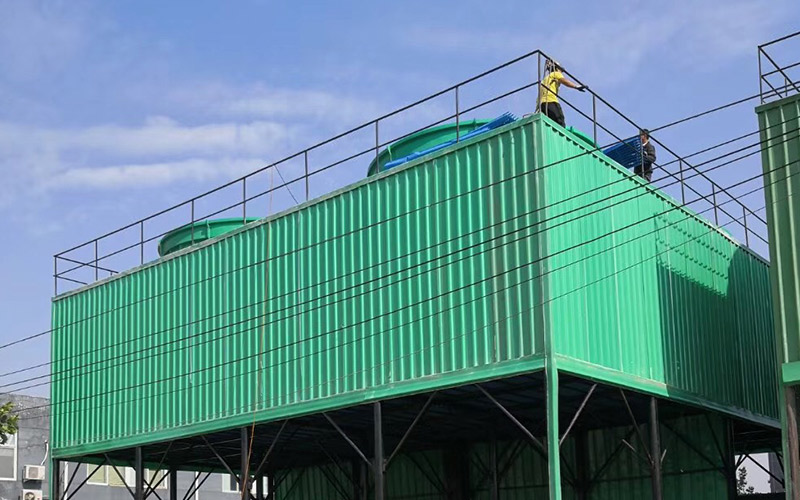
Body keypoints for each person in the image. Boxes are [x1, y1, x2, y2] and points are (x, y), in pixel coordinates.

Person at [538, 59, 586, 127]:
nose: (561, 72)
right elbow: (564, 81)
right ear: (557, 68)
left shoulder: (545, 79)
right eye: (560, 70)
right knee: (560, 121)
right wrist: (576, 86)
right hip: (551, 101)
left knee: (548, 124)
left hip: (542, 104)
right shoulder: (556, 74)